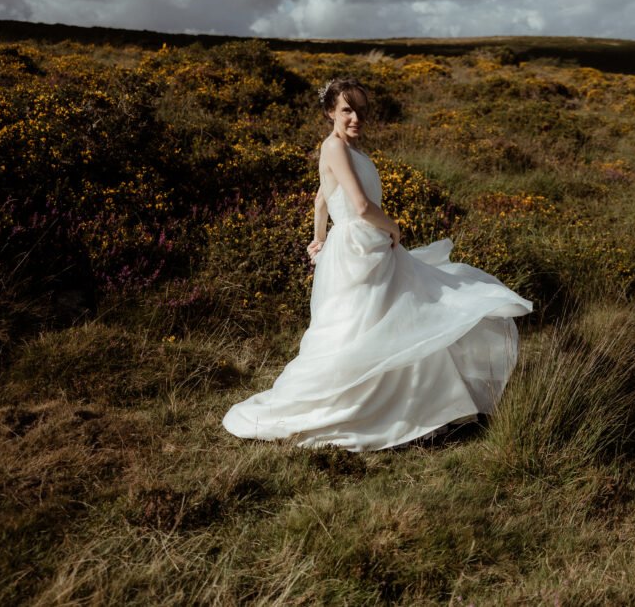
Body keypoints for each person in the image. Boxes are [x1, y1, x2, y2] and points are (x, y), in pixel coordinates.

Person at [222, 78, 532, 451]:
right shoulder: (334, 146)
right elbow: (362, 207)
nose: (355, 117)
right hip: (359, 250)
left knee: (401, 319)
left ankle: (424, 409)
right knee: (370, 326)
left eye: (360, 110)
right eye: (346, 110)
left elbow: (322, 198)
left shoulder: (352, 151)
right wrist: (394, 228)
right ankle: (375, 411)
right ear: (329, 113)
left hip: (366, 244)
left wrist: (319, 236)